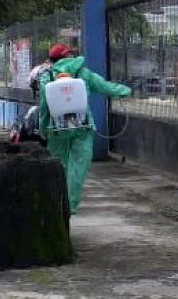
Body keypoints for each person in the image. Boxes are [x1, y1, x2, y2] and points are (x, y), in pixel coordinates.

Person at [36, 43, 131, 214]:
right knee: (78, 168)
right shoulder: (83, 73)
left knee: (57, 167)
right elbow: (105, 87)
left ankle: (57, 204)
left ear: (52, 60)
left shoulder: (47, 77)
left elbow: (43, 107)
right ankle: (70, 206)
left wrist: (42, 128)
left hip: (57, 129)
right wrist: (125, 91)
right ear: (67, 56)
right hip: (83, 126)